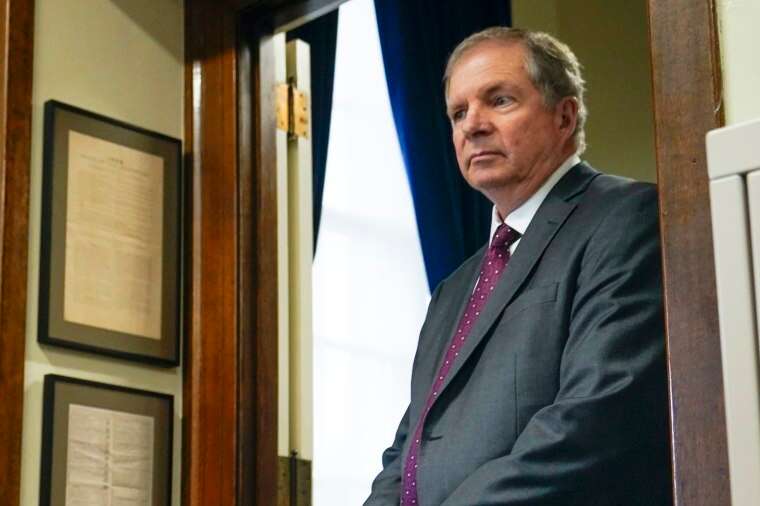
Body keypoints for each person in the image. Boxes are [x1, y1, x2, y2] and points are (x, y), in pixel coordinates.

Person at [364, 27, 671, 506]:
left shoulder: (625, 218)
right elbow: (411, 445)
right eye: (458, 112)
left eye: (500, 100)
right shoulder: (453, 287)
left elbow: (597, 416)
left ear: (564, 116)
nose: (472, 125)